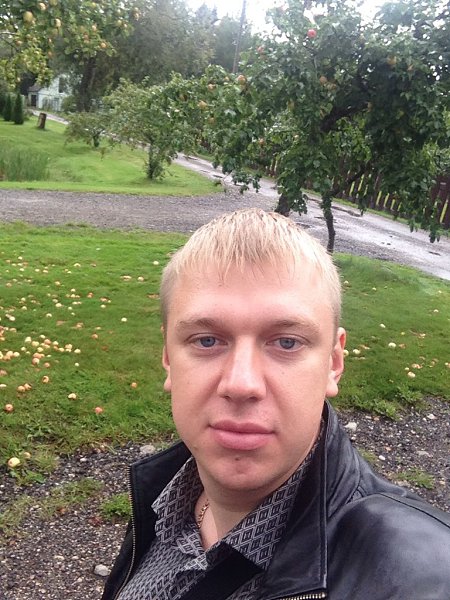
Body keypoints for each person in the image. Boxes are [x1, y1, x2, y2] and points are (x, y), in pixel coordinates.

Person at [102, 208, 450, 600]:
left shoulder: (424, 579)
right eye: (207, 340)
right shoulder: (160, 493)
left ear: (333, 364)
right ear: (168, 355)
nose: (241, 384)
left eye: (286, 342)